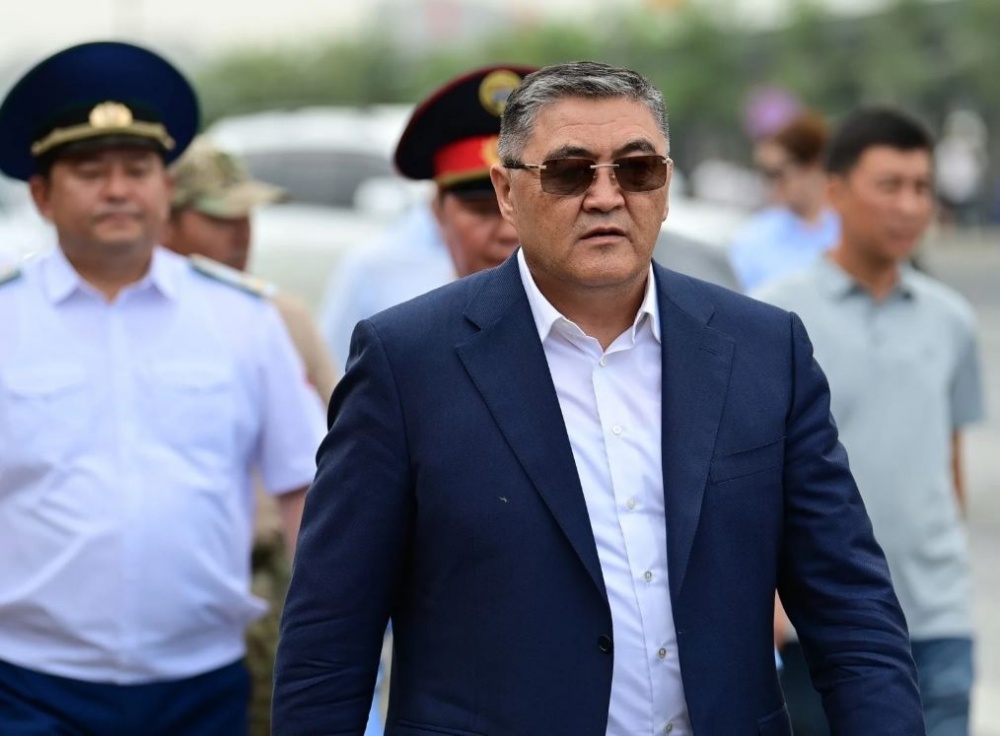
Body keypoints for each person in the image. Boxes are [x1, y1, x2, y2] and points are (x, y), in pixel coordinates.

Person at [274, 61, 923, 734]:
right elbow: (328, 641)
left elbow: (851, 607)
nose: (607, 197)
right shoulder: (406, 363)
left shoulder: (763, 349)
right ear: (506, 190)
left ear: (665, 187)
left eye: (636, 170)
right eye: (569, 172)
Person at [0, 41, 326, 734]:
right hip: (29, 683)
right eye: (91, 172)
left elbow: (303, 486)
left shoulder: (244, 318)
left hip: (203, 683)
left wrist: (326, 639)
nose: (118, 190)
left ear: (166, 186)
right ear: (41, 194)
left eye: (138, 170)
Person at [756, 106, 985, 736]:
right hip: (823, 626)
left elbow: (949, 466)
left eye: (921, 187)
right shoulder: (775, 319)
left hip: (937, 624)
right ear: (835, 190)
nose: (909, 206)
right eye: (889, 185)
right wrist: (769, 599)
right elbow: (752, 473)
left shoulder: (951, 319)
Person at [160, 134, 338, 735]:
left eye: (247, 216)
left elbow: (340, 445)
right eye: (219, 218)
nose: (241, 233)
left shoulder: (276, 316)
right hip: (179, 588)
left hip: (275, 578)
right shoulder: (128, 325)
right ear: (167, 217)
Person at [319, 64, 533, 369]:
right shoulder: (378, 273)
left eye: (526, 205)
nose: (509, 231)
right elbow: (336, 383)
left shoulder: (591, 294)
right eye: (483, 210)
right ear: (437, 208)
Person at [729, 111, 840, 291]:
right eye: (765, 174)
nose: (771, 184)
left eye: (777, 173)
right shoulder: (754, 238)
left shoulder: (850, 231)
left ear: (813, 165)